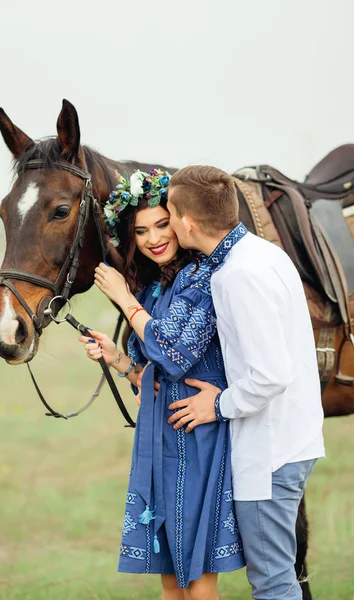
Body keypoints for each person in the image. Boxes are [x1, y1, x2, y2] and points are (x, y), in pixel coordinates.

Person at [79, 168, 245, 599]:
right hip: (160, 439)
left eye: (161, 224)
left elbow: (174, 354)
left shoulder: (202, 278)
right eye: (140, 231)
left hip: (198, 438)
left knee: (197, 576)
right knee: (170, 578)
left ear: (178, 221)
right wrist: (118, 359)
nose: (153, 237)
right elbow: (149, 377)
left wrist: (123, 298)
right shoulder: (153, 289)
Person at [165, 165, 325, 600]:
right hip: (292, 441)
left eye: (169, 212)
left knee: (272, 583)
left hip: (270, 454)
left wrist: (215, 406)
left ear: (188, 223)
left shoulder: (237, 275)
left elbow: (270, 375)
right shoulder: (262, 253)